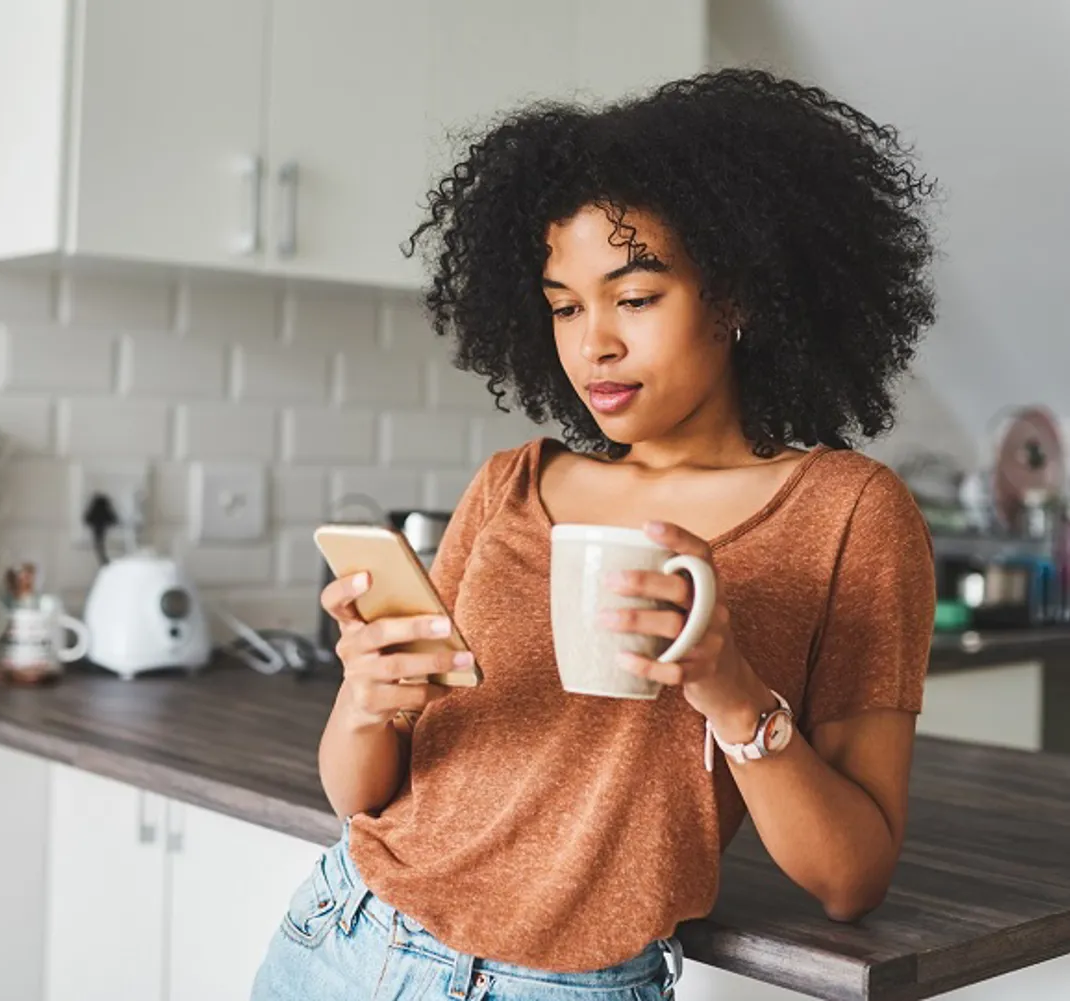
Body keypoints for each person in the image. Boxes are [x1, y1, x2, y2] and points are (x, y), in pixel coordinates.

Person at [252, 67, 937, 1001]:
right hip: (342, 935)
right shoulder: (510, 485)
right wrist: (368, 696)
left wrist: (728, 688)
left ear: (735, 294)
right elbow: (362, 795)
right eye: (566, 305)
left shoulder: (848, 514)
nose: (593, 344)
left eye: (637, 297)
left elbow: (852, 877)